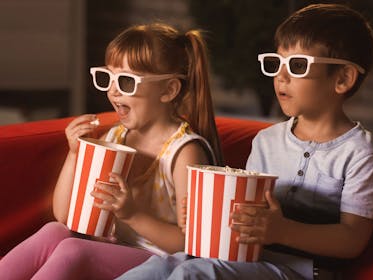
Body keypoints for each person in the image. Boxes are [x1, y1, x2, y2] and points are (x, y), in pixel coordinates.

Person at [117, 4, 373, 280]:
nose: (280, 76)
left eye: (297, 65)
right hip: (247, 260)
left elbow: (352, 240)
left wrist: (282, 230)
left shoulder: (361, 153)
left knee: (195, 273)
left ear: (343, 79)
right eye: (276, 63)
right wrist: (205, 216)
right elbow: (244, 216)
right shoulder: (266, 141)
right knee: (158, 268)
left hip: (306, 272)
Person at [0, 23, 223, 279]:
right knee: (54, 231)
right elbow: (64, 215)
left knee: (74, 249)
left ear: (169, 90)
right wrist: (75, 155)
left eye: (126, 81)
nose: (113, 90)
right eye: (108, 77)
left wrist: (133, 215)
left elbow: (192, 243)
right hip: (112, 248)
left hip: (162, 261)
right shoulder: (115, 137)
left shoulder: (184, 152)